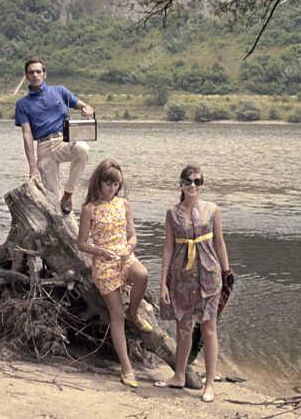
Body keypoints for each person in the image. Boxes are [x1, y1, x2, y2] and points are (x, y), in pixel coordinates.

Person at [157, 165, 232, 403]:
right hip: (181, 277)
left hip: (209, 275)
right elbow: (168, 248)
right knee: (183, 328)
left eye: (197, 182)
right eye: (188, 181)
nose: (192, 185)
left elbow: (219, 243)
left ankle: (209, 384)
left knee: (209, 328)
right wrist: (163, 283)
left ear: (202, 185)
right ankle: (179, 375)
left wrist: (227, 271)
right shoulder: (171, 213)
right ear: (180, 185)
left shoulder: (212, 210)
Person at [76, 159, 153, 388]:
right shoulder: (89, 209)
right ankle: (127, 367)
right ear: (98, 183)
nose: (112, 189)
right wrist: (99, 250)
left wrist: (129, 247)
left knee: (143, 275)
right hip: (104, 263)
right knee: (116, 315)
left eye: (116, 184)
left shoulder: (124, 204)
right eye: (108, 184)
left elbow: (133, 236)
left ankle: (135, 313)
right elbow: (81, 243)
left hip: (125, 257)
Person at [14, 56, 94, 214]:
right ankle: (67, 234)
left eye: (38, 71)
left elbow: (83, 105)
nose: (35, 75)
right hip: (43, 147)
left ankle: (69, 194)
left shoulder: (60, 91)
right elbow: (27, 135)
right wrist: (32, 166)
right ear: (27, 76)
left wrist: (86, 109)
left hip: (63, 141)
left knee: (83, 149)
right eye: (31, 73)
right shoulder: (22, 104)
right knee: (54, 202)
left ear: (45, 74)